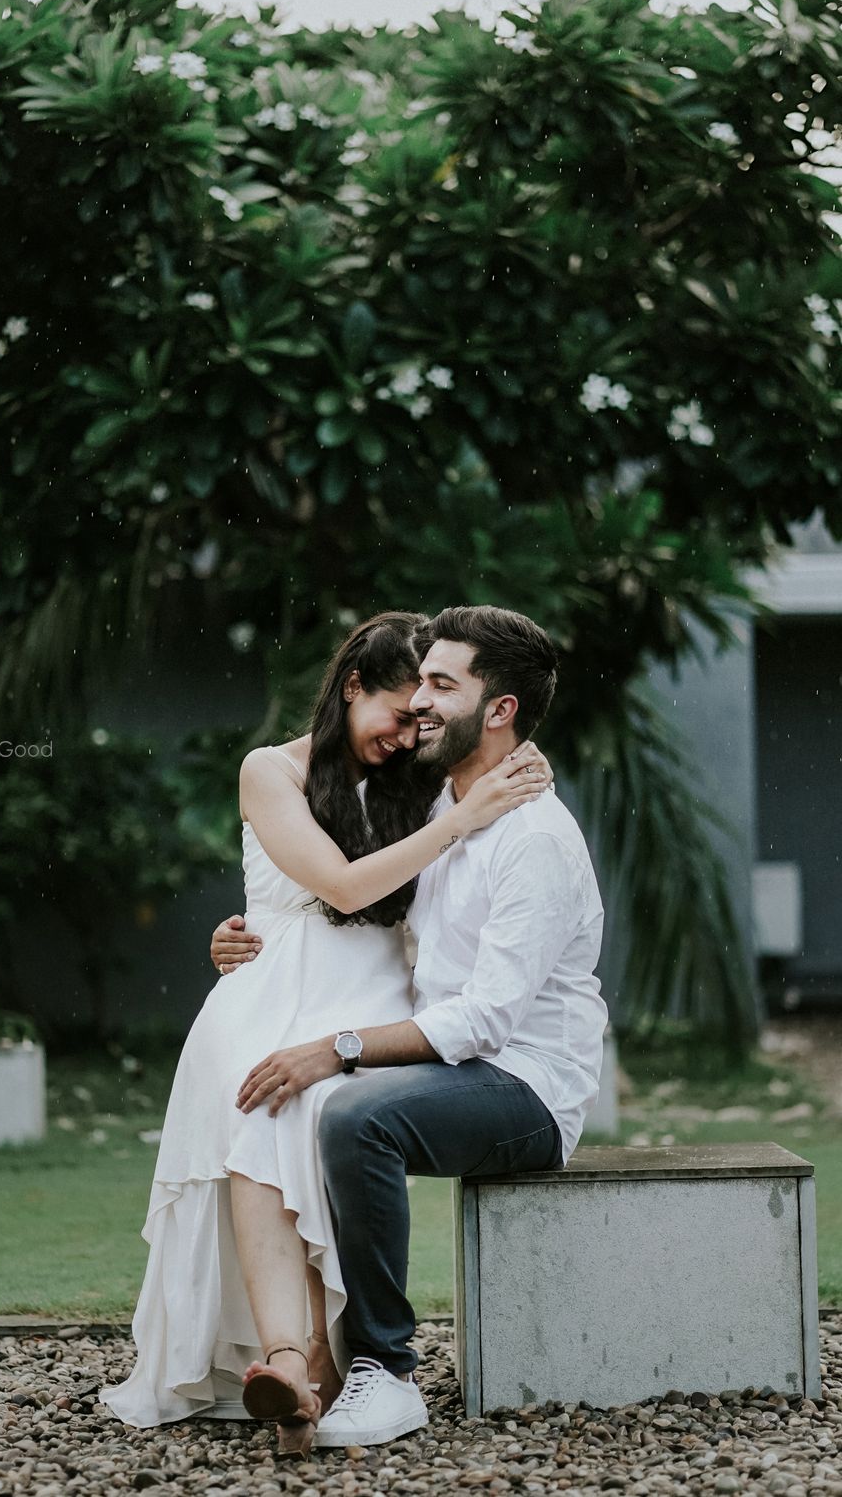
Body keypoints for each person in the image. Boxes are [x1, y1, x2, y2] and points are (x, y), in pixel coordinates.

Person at [98, 610, 552, 1452]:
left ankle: (315, 1359)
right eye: (396, 709)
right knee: (260, 1108)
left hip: (370, 997)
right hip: (271, 985)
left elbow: (497, 765)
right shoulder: (271, 769)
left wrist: (500, 773)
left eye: (425, 713)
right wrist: (231, 938)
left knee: (322, 1112)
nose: (407, 730)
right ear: (350, 686)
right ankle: (291, 1361)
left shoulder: (425, 780)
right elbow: (339, 886)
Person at [216, 604, 607, 1450]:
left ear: (498, 710)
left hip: (526, 1086)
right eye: (417, 682)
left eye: (440, 684)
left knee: (357, 1112)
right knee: (305, 1101)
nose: (418, 701)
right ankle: (308, 1355)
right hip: (461, 1070)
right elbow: (346, 889)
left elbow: (488, 1020)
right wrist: (242, 933)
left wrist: (338, 1047)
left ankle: (386, 1370)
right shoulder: (439, 806)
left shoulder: (531, 836)